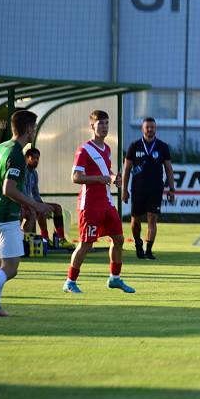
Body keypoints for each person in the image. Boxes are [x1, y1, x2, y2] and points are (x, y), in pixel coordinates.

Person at [0, 110, 53, 317]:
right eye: (34, 128)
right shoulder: (17, 155)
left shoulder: (2, 147)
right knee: (11, 268)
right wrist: (36, 205)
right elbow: (8, 189)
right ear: (28, 129)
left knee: (2, 261)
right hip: (5, 214)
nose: (35, 131)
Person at [63, 110, 134, 294]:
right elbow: (76, 177)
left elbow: (106, 171)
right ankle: (70, 282)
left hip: (107, 203)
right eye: (101, 123)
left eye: (107, 123)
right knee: (86, 244)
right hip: (90, 204)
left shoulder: (107, 149)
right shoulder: (84, 149)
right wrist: (99, 179)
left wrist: (112, 178)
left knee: (118, 239)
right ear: (92, 126)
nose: (104, 127)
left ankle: (114, 278)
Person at [122, 117, 176, 260]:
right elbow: (127, 169)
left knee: (152, 219)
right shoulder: (134, 146)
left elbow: (169, 169)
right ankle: (138, 245)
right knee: (135, 220)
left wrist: (171, 189)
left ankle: (149, 250)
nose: (150, 130)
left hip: (156, 189)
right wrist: (124, 189)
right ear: (142, 129)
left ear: (155, 128)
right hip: (138, 190)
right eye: (147, 127)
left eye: (152, 127)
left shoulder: (162, 147)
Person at [21, 148, 74, 249]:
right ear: (27, 158)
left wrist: (42, 205)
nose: (36, 160)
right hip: (24, 203)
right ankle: (45, 238)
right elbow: (23, 194)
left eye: (37, 158)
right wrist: (39, 206)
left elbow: (36, 193)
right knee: (39, 210)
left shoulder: (34, 173)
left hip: (32, 202)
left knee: (57, 208)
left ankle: (61, 239)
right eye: (33, 158)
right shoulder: (23, 172)